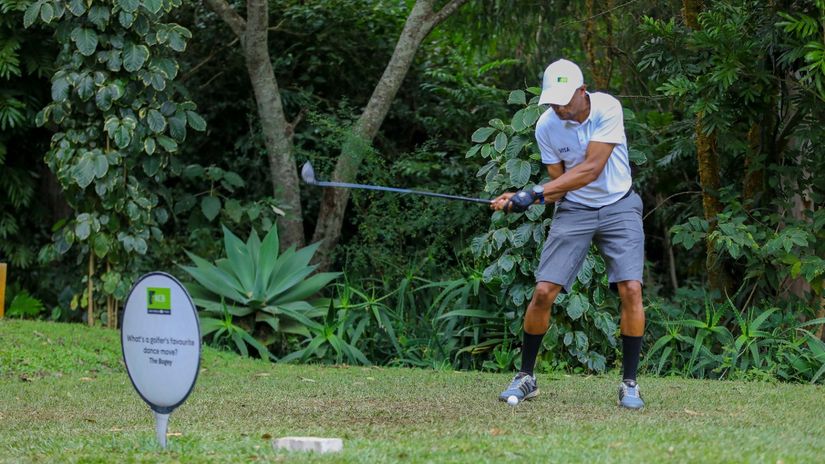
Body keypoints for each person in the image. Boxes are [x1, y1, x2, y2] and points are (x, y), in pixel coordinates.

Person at [490, 59, 646, 409]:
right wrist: (521, 199)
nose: (559, 108)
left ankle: (630, 384)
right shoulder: (547, 126)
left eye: (564, 100)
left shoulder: (607, 108)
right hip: (574, 209)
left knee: (631, 289)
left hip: (619, 205)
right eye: (553, 101)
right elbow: (559, 186)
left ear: (582, 91)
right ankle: (526, 377)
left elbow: (591, 169)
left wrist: (534, 192)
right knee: (543, 291)